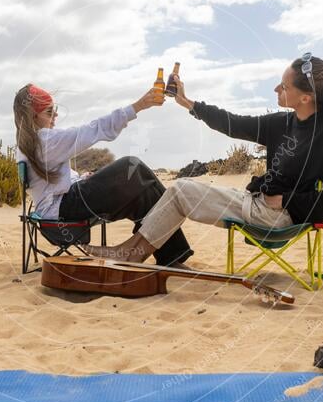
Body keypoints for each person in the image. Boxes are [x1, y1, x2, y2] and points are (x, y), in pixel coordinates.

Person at [84, 53, 323, 264]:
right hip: (259, 204)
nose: (276, 90)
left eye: (284, 87)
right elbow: (234, 123)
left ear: (306, 97)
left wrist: (288, 201)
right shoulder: (283, 124)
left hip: (277, 217)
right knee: (181, 190)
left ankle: (131, 254)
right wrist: (188, 103)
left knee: (182, 190)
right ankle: (131, 251)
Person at [13, 83, 194, 267]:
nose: (56, 115)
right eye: (49, 112)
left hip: (61, 207)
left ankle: (166, 255)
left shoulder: (31, 144)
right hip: (64, 210)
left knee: (144, 193)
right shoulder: (44, 140)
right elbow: (92, 130)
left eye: (55, 110)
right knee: (132, 167)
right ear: (33, 117)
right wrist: (138, 106)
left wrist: (83, 178)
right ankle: (169, 253)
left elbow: (52, 184)